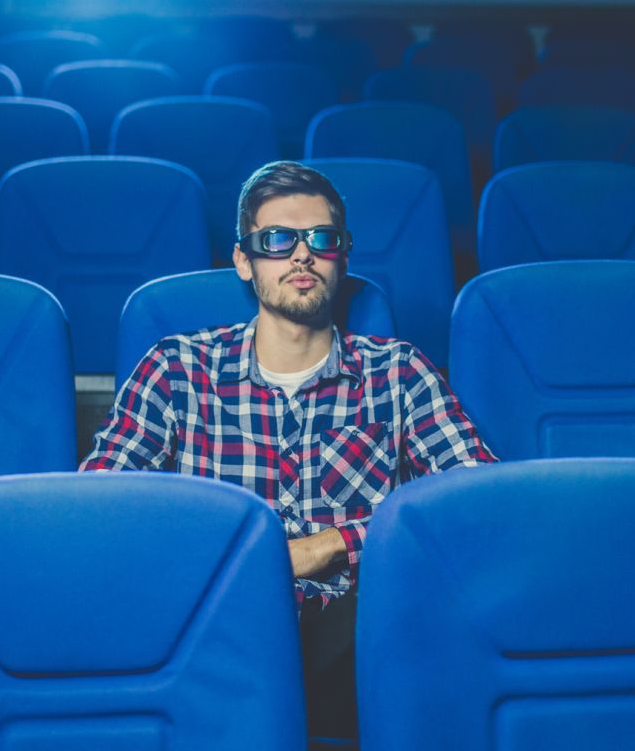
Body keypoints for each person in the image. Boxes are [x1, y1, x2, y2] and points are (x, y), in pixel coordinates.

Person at [81, 160, 496, 736]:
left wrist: (330, 545)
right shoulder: (177, 369)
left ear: (342, 257)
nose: (302, 255)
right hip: (213, 626)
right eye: (277, 240)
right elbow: (98, 510)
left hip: (359, 633)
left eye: (321, 239)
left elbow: (479, 505)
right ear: (243, 261)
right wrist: (237, 559)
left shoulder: (399, 372)